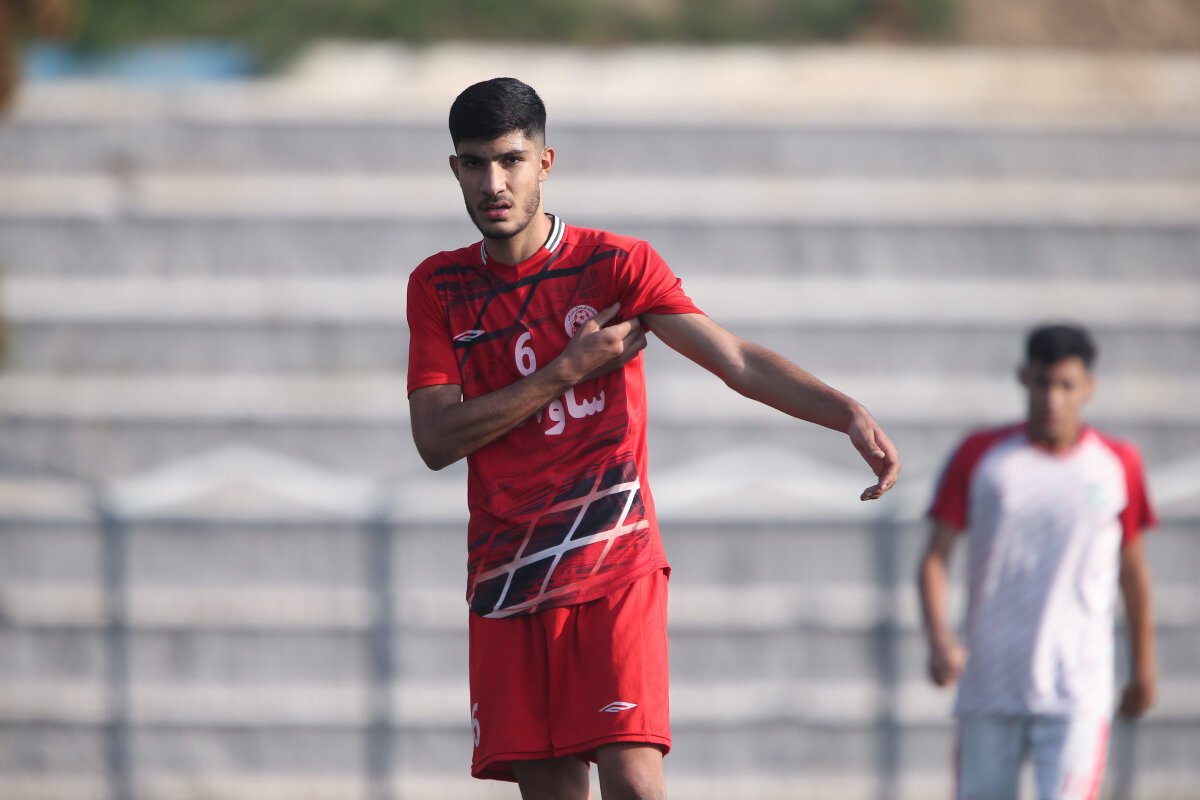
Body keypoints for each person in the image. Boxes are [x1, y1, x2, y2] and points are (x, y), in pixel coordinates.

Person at [406, 76, 901, 800]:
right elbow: (434, 440)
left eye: (511, 160)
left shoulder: (614, 266)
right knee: (551, 793)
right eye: (476, 164)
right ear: (455, 169)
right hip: (507, 575)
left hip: (614, 561)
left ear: (545, 162)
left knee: (635, 780)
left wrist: (844, 410)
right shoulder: (439, 286)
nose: (494, 183)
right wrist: (568, 370)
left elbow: (733, 359)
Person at [918, 323, 1157, 800]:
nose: (1053, 399)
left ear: (1088, 387)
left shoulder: (1117, 464)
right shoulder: (981, 457)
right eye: (1043, 383)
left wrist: (1143, 667)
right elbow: (935, 560)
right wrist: (940, 638)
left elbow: (1132, 573)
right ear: (1024, 378)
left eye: (1066, 385)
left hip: (1076, 687)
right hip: (990, 682)